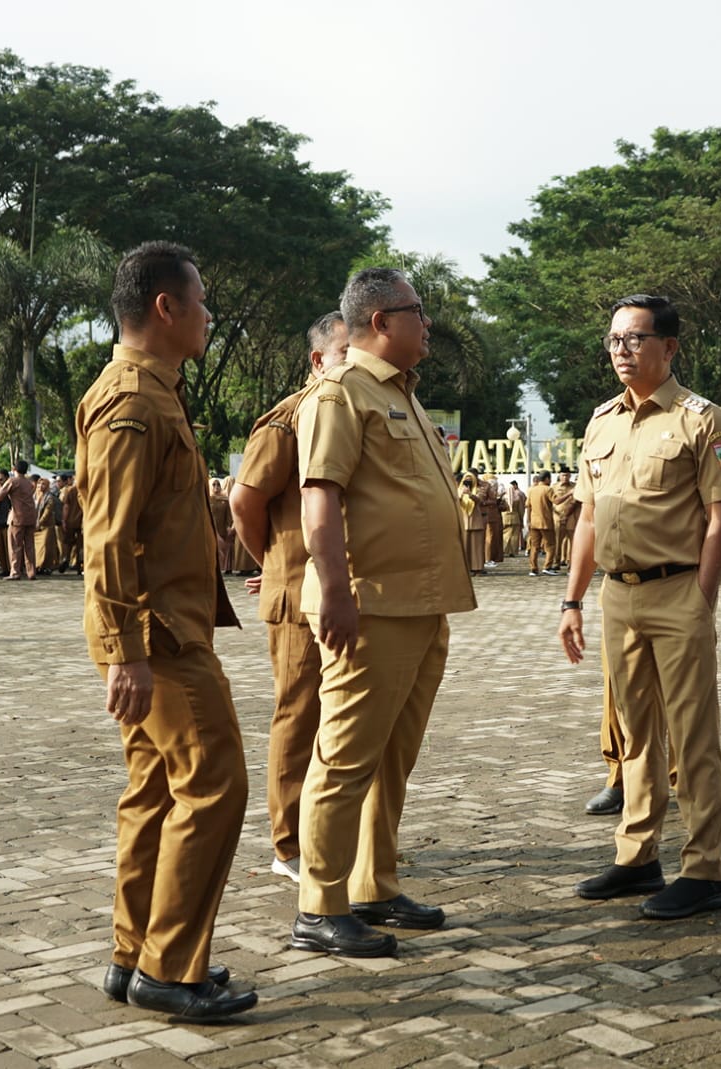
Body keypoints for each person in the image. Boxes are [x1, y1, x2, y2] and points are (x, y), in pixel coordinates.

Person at [75, 241, 255, 1018]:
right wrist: (127, 653)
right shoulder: (133, 403)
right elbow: (109, 539)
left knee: (155, 789)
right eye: (202, 299)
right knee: (215, 784)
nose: (209, 314)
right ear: (165, 308)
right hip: (160, 637)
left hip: (164, 630)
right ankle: (171, 968)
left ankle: (135, 952)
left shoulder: (154, 391)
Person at [288, 267, 476, 959]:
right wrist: (336, 590)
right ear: (381, 321)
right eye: (418, 312)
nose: (428, 324)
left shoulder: (403, 395)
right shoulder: (341, 392)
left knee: (392, 758)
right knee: (342, 759)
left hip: (420, 606)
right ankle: (319, 905)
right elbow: (321, 497)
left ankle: (373, 884)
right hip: (370, 608)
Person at [557, 293, 721, 921]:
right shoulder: (602, 420)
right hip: (618, 595)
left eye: (635, 340)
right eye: (614, 341)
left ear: (669, 347)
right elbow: (588, 516)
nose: (622, 352)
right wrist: (572, 599)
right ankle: (638, 857)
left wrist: (703, 599)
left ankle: (704, 870)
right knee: (634, 733)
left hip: (677, 591)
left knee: (692, 737)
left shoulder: (702, 419)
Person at [229, 310, 350, 884]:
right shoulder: (288, 422)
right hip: (299, 593)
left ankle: (330, 836)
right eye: (344, 353)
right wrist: (274, 564)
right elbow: (244, 502)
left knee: (344, 718)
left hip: (346, 591)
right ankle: (288, 845)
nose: (354, 365)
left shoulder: (355, 413)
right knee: (300, 717)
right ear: (318, 359)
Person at [0, 460, 37, 580]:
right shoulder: (29, 483)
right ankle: (31, 572)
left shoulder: (13, 481)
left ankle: (15, 572)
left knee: (15, 546)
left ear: (14, 469)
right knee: (29, 546)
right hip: (30, 517)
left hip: (17, 517)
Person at [526, 472, 557, 576]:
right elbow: (556, 501)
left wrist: (528, 520)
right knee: (550, 545)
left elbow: (528, 506)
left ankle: (533, 568)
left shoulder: (531, 490)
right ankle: (547, 566)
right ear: (547, 479)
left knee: (534, 547)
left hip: (534, 522)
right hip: (546, 522)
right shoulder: (548, 489)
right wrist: (569, 495)